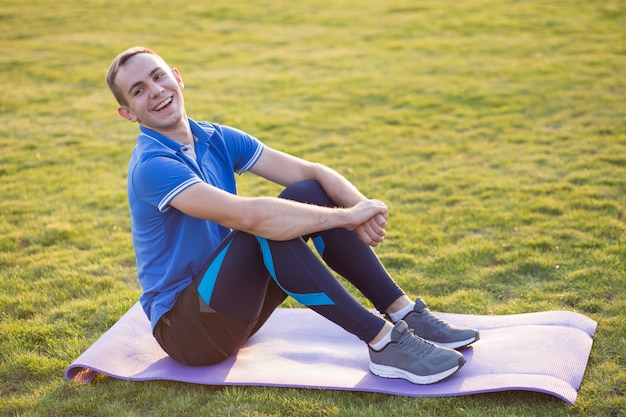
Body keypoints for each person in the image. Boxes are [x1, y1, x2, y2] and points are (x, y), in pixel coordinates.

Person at [106, 46, 479, 385]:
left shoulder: (213, 137)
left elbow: (311, 173)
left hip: (234, 306)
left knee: (307, 194)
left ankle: (402, 313)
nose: (155, 91)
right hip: (189, 330)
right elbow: (250, 217)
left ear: (177, 77)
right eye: (138, 90)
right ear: (128, 113)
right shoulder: (152, 166)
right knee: (261, 230)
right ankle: (383, 343)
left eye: (158, 76)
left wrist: (363, 206)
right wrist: (345, 217)